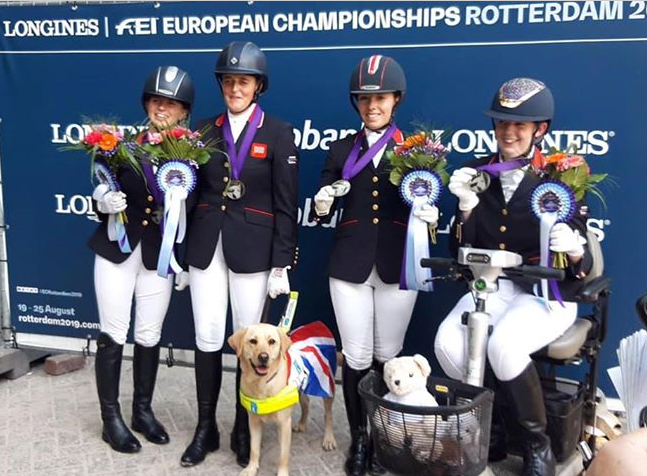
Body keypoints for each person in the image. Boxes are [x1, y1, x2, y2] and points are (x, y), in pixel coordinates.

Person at [434, 77, 593, 476]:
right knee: (447, 346)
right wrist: (466, 210)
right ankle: (494, 431)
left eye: (519, 125)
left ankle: (538, 447)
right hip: (494, 284)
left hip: (546, 290)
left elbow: (581, 258)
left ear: (540, 129)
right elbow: (460, 251)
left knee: (503, 346)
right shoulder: (476, 172)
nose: (508, 132)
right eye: (502, 123)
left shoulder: (561, 175)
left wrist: (572, 246)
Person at [311, 55, 438, 476]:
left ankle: (388, 437)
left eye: (380, 97)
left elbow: (429, 201)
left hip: (397, 264)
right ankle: (361, 440)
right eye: (365, 99)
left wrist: (430, 212)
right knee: (358, 355)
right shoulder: (341, 149)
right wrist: (323, 200)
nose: (372, 106)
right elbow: (318, 210)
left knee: (389, 355)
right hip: (349, 263)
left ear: (395, 99)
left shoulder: (415, 149)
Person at [179, 41, 299, 467]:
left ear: (257, 85)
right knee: (208, 337)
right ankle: (205, 429)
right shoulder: (204, 132)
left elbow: (287, 203)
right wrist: (181, 253)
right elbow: (187, 195)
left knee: (250, 344)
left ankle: (239, 425)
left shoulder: (278, 132)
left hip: (255, 250)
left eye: (243, 81)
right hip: (207, 246)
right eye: (228, 81)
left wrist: (282, 261)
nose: (235, 88)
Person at [88, 65, 195, 453]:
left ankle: (142, 411)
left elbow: (194, 210)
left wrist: (183, 260)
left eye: (170, 103)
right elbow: (101, 184)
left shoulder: (191, 151)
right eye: (155, 100)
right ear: (146, 104)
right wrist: (103, 200)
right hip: (117, 250)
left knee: (149, 334)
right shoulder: (120, 143)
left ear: (184, 110)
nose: (161, 108)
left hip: (158, 254)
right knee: (114, 333)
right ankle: (110, 418)